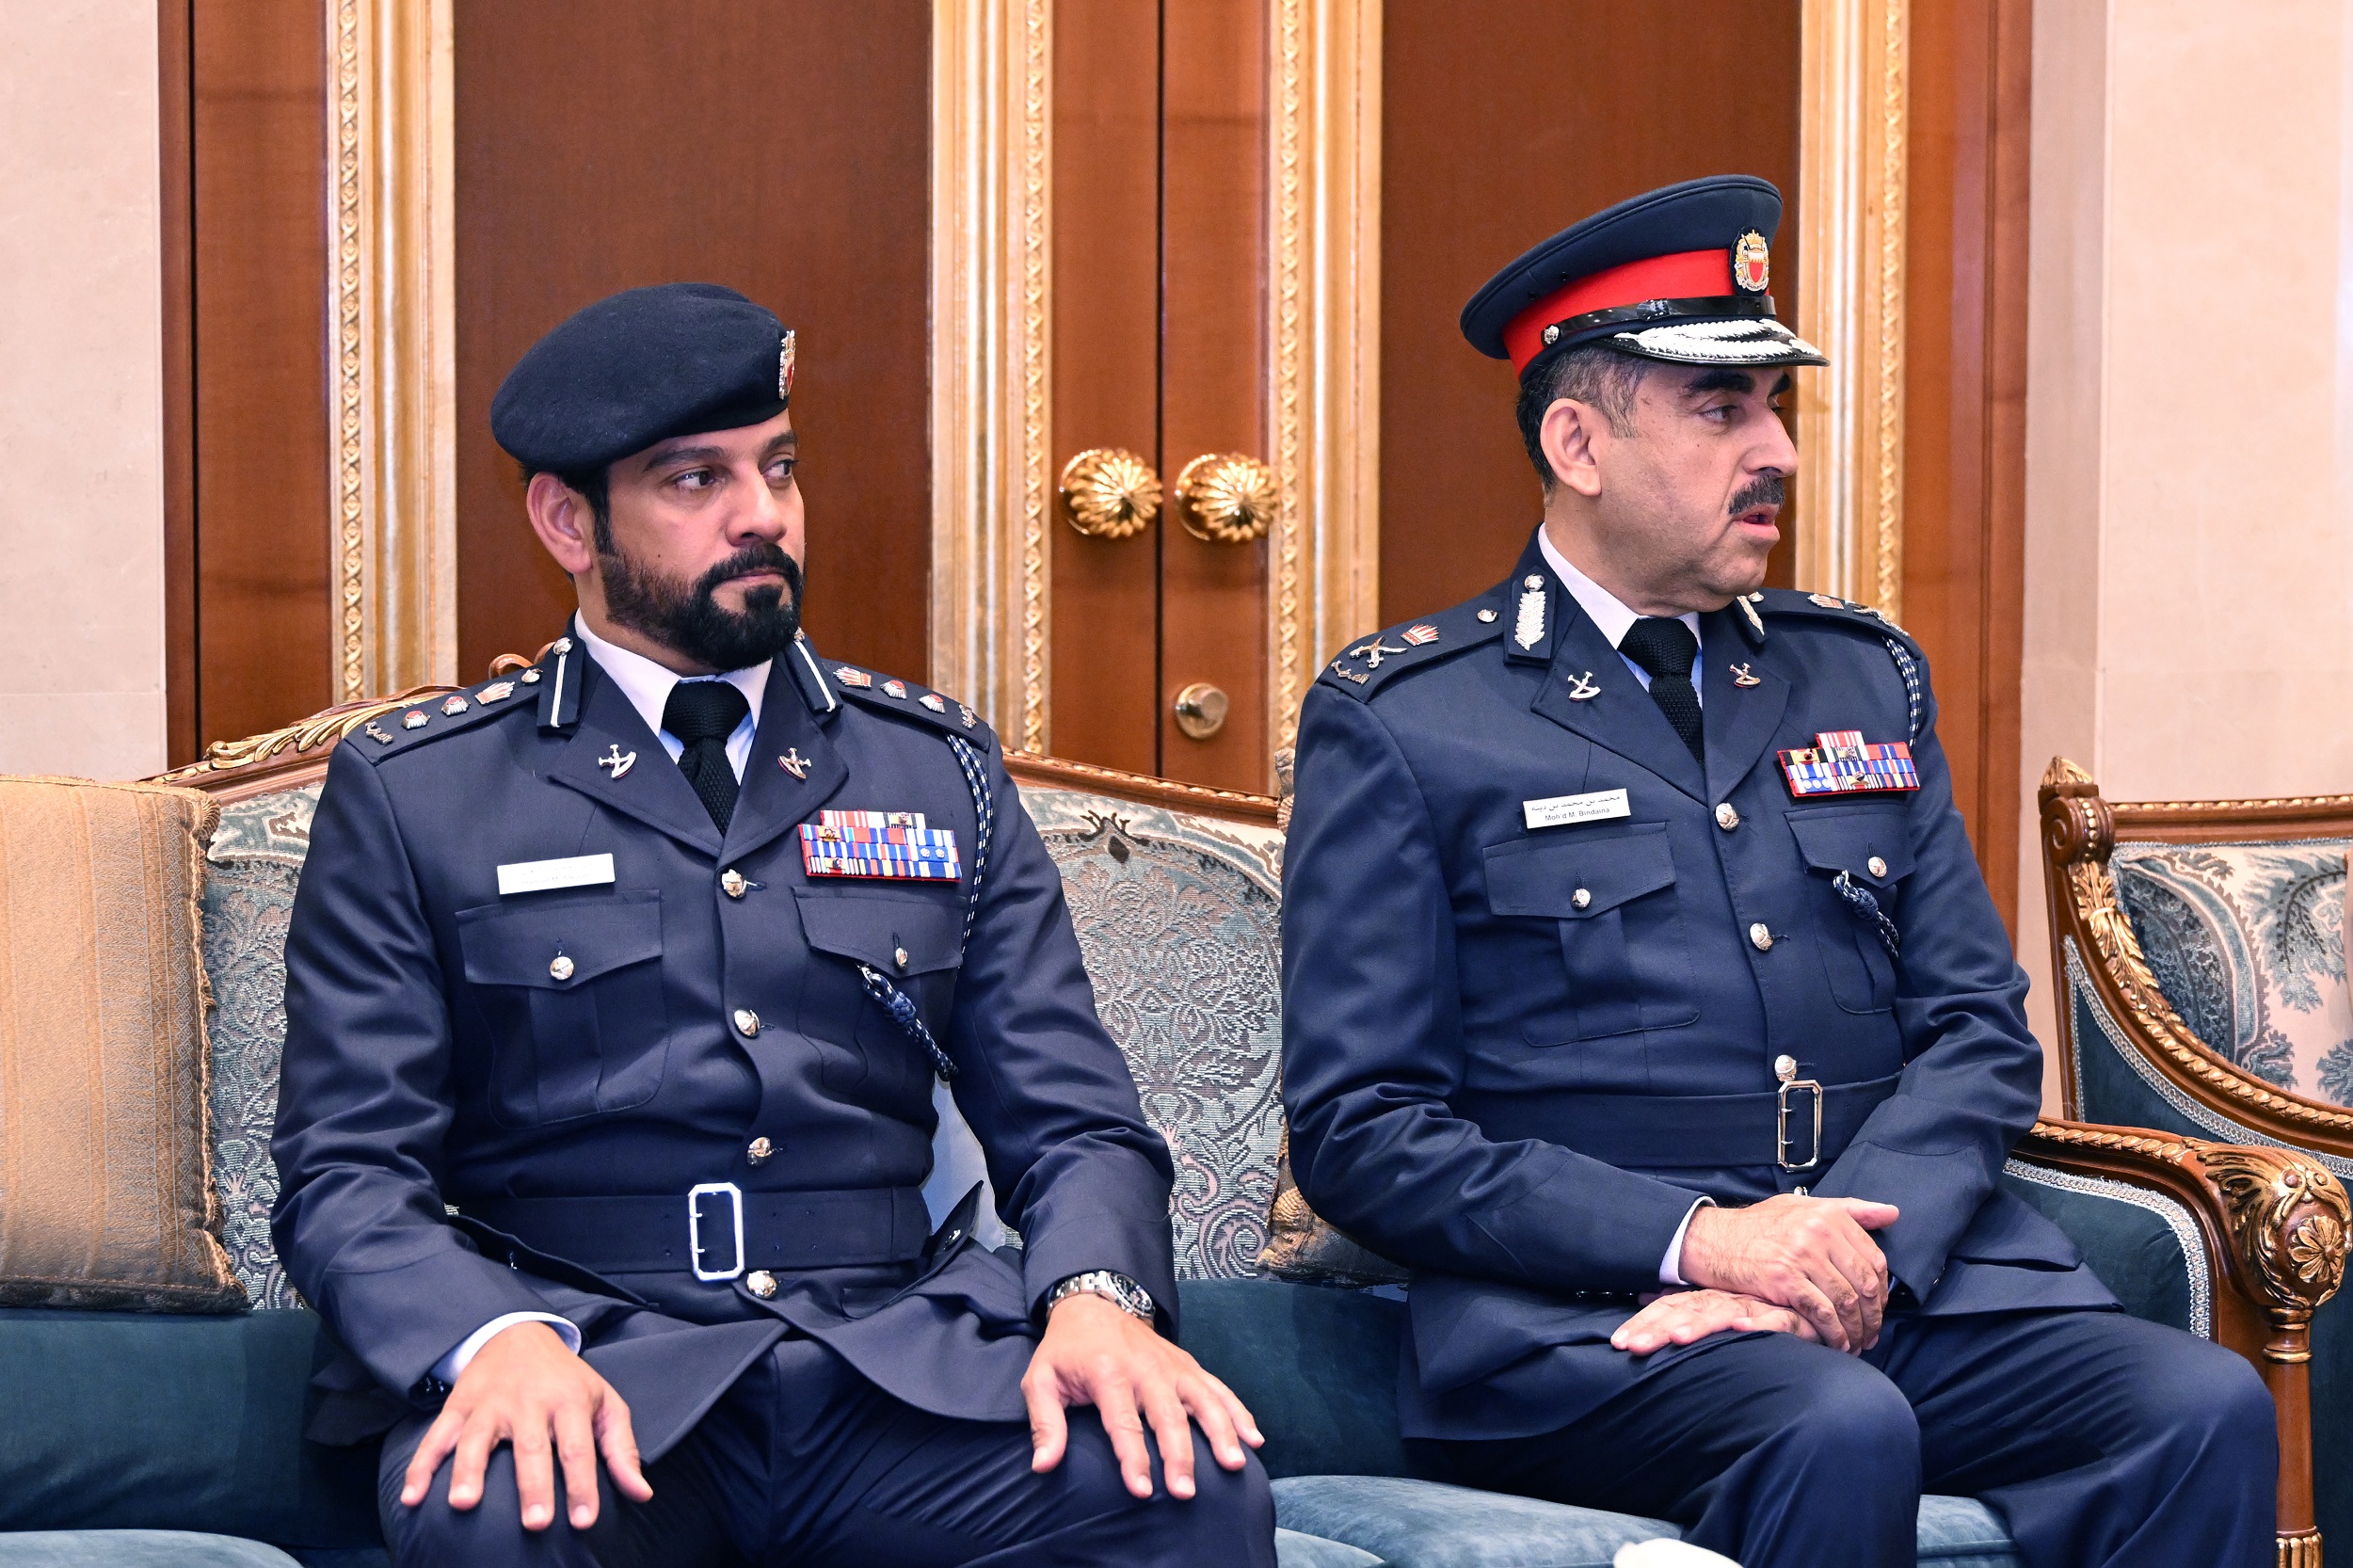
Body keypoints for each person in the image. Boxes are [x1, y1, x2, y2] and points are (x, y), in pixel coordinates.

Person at [1276, 177, 2277, 1568]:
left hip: (1896, 1282)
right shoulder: (1411, 718)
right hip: (1590, 1319)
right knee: (1833, 1425)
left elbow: (1978, 1031)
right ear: (1577, 441)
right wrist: (1703, 1241)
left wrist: (1845, 1253)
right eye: (1721, 410)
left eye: (1776, 406)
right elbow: (1363, 1127)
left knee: (2200, 1407)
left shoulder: (1857, 677)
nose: (1780, 452)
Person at [272, 282, 1274, 1567]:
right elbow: (349, 1168)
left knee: (1189, 1489)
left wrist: (1097, 1298)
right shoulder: (422, 791)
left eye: (779, 468)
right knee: (494, 1515)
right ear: (569, 521)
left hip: (889, 1367)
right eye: (696, 480)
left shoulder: (933, 769)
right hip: (596, 1363)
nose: (763, 514)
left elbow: (1075, 1122)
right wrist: (494, 1340)